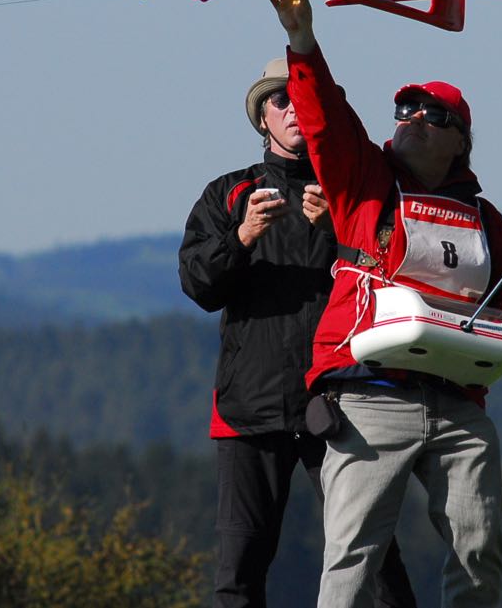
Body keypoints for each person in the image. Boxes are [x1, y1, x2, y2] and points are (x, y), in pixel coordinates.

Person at [266, 0, 502, 608]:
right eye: (406, 110)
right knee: (352, 556)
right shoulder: (363, 180)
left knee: (478, 551)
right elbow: (327, 121)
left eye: (433, 115)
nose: (414, 119)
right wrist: (302, 40)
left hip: (459, 404)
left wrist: (491, 333)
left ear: (461, 141)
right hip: (368, 394)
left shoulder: (486, 219)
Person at [178, 58, 418, 608]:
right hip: (248, 406)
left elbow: (394, 279)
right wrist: (241, 237)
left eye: (303, 100)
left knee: (376, 560)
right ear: (261, 118)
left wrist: (338, 232)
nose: (293, 110)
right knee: (240, 568)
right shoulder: (228, 193)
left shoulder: (353, 193)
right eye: (280, 100)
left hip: (341, 400)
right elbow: (198, 285)